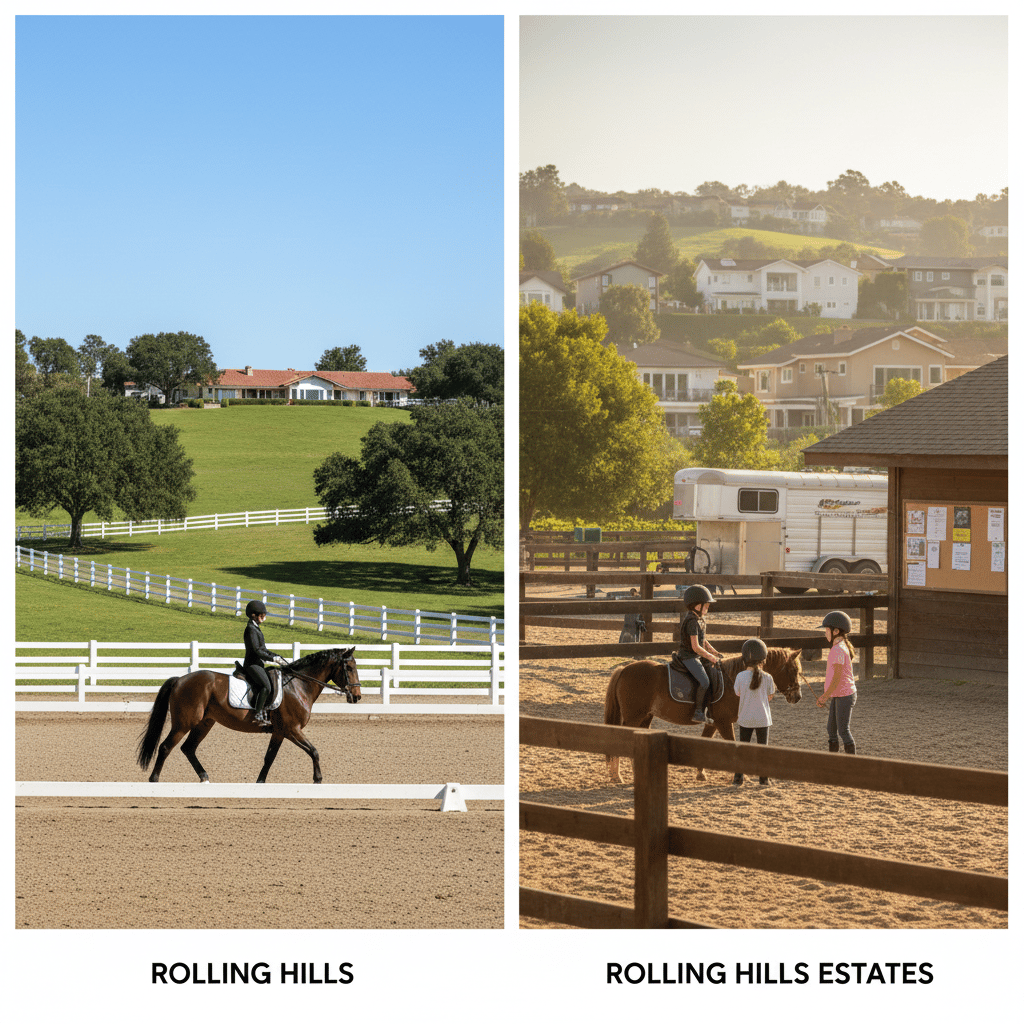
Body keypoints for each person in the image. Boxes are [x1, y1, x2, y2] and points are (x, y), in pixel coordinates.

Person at [732, 638, 775, 786]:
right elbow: (770, 696)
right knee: (763, 749)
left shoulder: (740, 676)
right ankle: (764, 778)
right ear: (763, 659)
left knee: (743, 748)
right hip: (763, 719)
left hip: (745, 718)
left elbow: (737, 694)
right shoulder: (768, 677)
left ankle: (738, 777)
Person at [678, 584, 723, 724]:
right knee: (704, 681)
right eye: (706, 605)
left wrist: (714, 651)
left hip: (696, 655)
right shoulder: (691, 622)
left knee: (713, 673)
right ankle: (698, 712)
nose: (708, 608)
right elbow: (696, 647)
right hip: (689, 657)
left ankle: (710, 707)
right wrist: (711, 657)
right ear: (697, 606)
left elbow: (703, 640)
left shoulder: (699, 620)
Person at [817, 611, 857, 754]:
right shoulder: (838, 648)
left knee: (843, 731)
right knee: (831, 729)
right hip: (839, 694)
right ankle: (833, 760)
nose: (825, 633)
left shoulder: (838, 650)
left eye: (826, 630)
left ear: (835, 631)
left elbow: (837, 678)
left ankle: (853, 763)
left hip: (844, 695)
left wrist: (825, 696)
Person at [243, 599, 285, 725]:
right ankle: (258, 715)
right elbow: (257, 650)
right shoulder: (250, 629)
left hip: (258, 664)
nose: (264, 617)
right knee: (266, 686)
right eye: (261, 615)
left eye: (264, 615)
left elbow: (263, 649)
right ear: (253, 615)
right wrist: (272, 659)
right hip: (252, 664)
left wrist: (277, 656)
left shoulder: (256, 628)